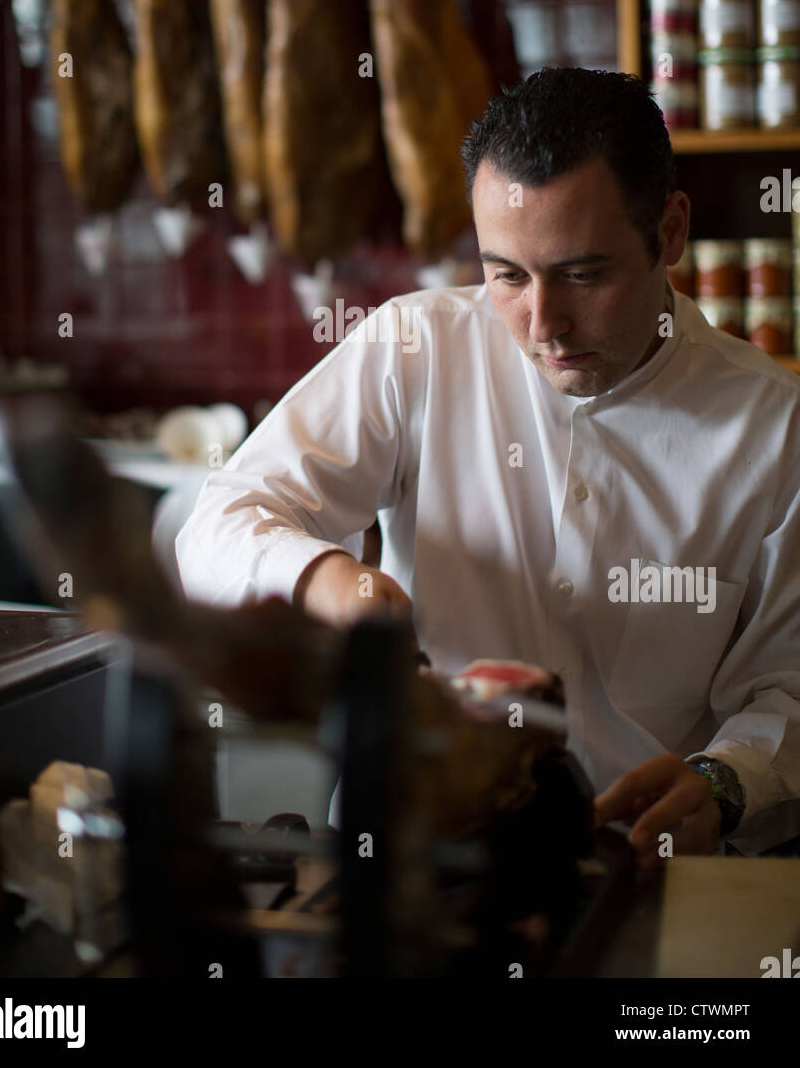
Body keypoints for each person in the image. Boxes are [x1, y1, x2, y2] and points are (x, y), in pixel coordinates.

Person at [176, 67, 800, 867]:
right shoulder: (415, 347)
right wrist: (336, 583)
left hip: (644, 865)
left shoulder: (775, 426)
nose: (543, 323)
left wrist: (726, 782)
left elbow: (788, 687)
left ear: (670, 231)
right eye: (506, 274)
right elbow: (219, 523)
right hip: (413, 851)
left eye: (584, 274)